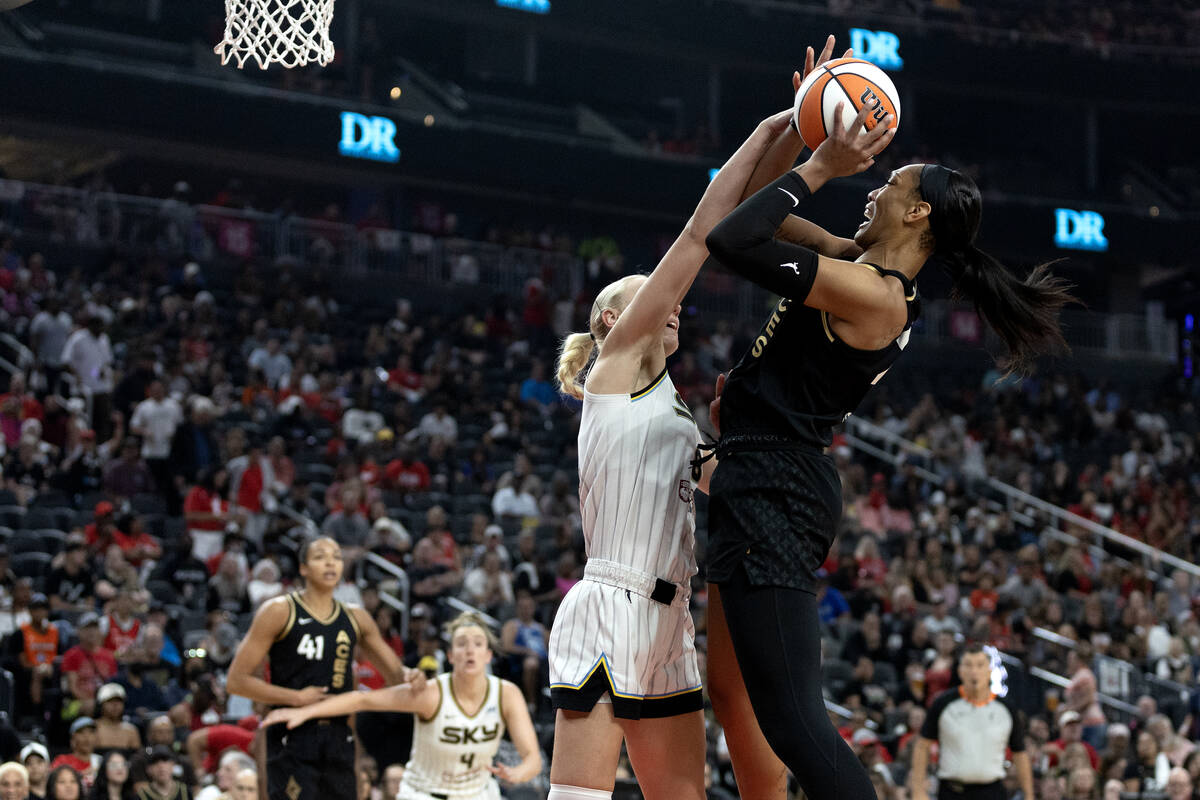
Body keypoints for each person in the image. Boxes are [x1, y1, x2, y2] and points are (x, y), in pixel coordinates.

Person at [700, 57, 1074, 798]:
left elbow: (730, 243)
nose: (872, 189)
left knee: (796, 721)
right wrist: (797, 121)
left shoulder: (876, 295)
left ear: (917, 215)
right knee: (758, 705)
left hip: (776, 483)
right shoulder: (849, 261)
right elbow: (732, 204)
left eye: (889, 185)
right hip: (762, 473)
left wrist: (818, 168)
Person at [547, 77, 805, 800]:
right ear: (609, 321)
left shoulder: (675, 410)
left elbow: (726, 482)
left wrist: (806, 139)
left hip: (671, 617)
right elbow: (703, 234)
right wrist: (779, 124)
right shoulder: (616, 365)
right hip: (610, 601)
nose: (674, 308)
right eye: (651, 296)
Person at [264, 612, 541, 800]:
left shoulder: (507, 694)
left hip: (479, 793)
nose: (470, 650)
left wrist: (519, 773)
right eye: (462, 644)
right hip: (424, 793)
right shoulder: (431, 694)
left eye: (478, 644)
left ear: (488, 655)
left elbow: (532, 758)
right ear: (449, 655)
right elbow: (362, 699)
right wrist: (305, 710)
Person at [226, 537, 423, 800]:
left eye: (336, 557)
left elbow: (395, 675)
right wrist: (295, 697)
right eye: (320, 556)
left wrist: (412, 674)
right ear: (303, 568)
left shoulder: (356, 617)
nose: (330, 562)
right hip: (291, 733)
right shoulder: (279, 611)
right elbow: (236, 681)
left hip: (339, 736)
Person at [909, 644, 1033, 800]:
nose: (974, 671)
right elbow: (922, 746)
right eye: (968, 665)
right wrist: (918, 790)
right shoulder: (942, 703)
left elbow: (1020, 754)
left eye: (980, 665)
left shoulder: (1006, 708)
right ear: (960, 671)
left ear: (989, 670)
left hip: (992, 792)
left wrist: (1029, 795)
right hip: (952, 791)